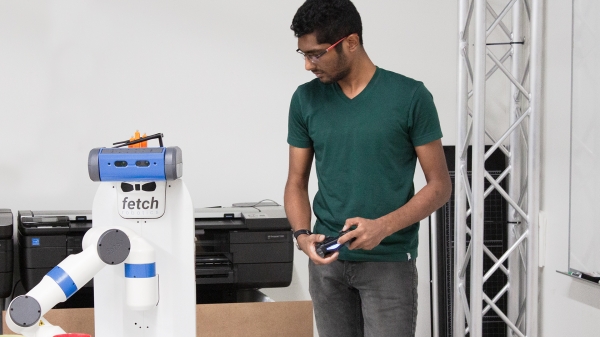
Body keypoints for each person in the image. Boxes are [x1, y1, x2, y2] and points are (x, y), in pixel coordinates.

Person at [284, 1, 452, 336]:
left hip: (388, 264)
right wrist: (302, 236)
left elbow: (439, 186)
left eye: (316, 54)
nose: (307, 65)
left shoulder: (410, 96)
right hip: (327, 263)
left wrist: (382, 228)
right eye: (302, 54)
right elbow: (296, 181)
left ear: (351, 42)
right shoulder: (305, 100)